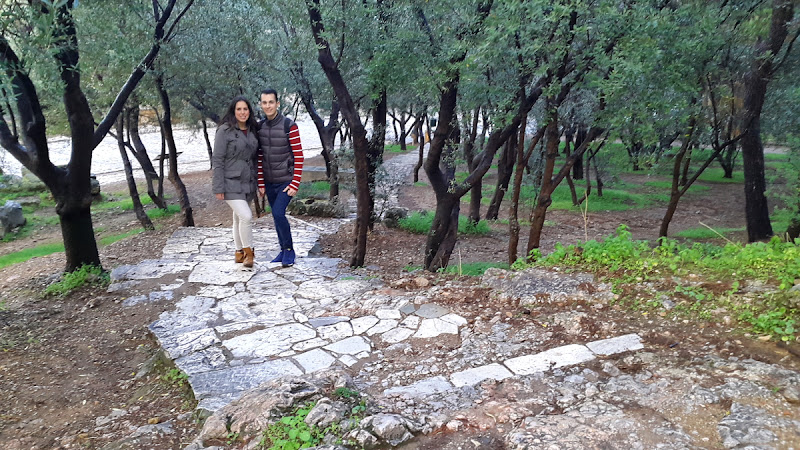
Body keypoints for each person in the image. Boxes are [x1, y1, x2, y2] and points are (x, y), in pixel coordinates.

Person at [256, 88, 304, 267]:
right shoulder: (259, 127)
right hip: (269, 182)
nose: (268, 106)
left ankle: (290, 251)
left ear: (278, 103)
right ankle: (283, 250)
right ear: (261, 105)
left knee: (278, 213)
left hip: (286, 181)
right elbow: (259, 157)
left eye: (271, 102)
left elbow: (299, 156)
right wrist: (261, 183)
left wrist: (295, 183)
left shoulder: (289, 126)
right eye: (264, 102)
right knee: (276, 217)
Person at [212, 96, 260, 268]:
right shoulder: (224, 131)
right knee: (246, 216)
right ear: (233, 111)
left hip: (247, 182)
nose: (242, 112)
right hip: (230, 182)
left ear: (249, 111)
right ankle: (249, 253)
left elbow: (255, 158)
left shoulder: (253, 129)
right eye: (238, 109)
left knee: (238, 218)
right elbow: (217, 159)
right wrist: (218, 186)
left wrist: (258, 182)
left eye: (245, 109)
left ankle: (239, 253)